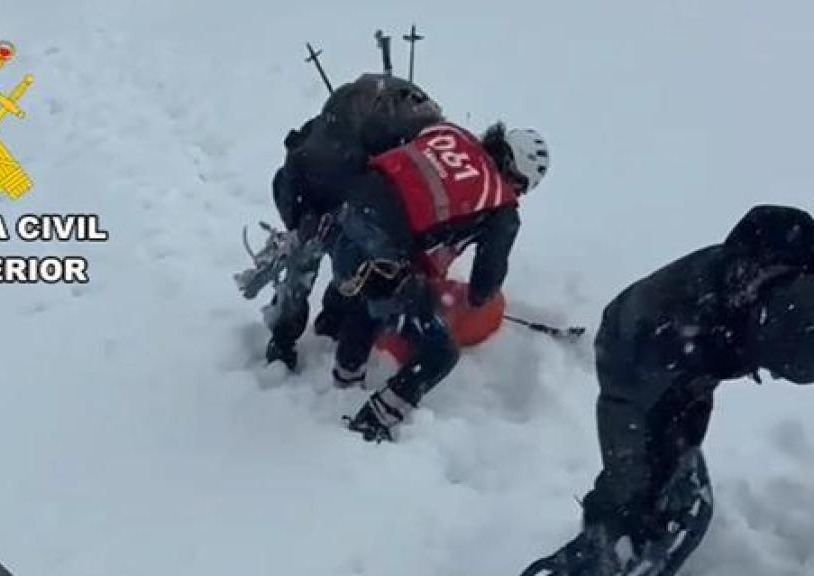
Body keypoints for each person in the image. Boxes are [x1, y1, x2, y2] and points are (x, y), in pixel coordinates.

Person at [521, 205, 814, 576]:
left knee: (669, 458)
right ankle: (595, 555)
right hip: (638, 357)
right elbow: (792, 351)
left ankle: (638, 519)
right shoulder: (787, 311)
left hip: (681, 351)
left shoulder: (777, 270)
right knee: (636, 485)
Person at [324, 119, 550, 439]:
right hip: (383, 247)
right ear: (516, 174)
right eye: (522, 187)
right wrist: (469, 298)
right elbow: (484, 287)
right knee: (439, 352)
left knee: (372, 288)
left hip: (345, 212)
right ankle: (373, 423)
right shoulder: (501, 206)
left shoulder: (448, 133)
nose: (519, 195)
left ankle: (344, 378)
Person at [264, 73, 445, 370]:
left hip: (308, 184)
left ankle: (317, 326)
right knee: (332, 263)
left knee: (334, 263)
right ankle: (290, 337)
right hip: (315, 194)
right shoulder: (385, 147)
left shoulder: (362, 111)